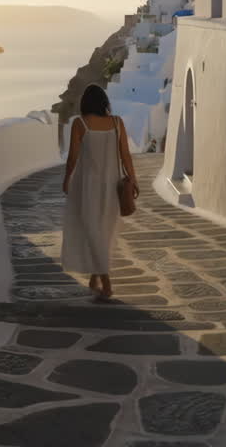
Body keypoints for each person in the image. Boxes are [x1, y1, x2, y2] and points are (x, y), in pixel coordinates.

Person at [61, 84, 138, 301]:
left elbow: (73, 157)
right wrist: (133, 178)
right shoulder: (117, 123)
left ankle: (106, 283)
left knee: (92, 230)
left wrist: (67, 178)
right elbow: (126, 155)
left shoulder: (80, 123)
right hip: (113, 185)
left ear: (85, 103)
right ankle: (95, 278)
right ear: (104, 102)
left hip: (87, 186)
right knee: (102, 231)